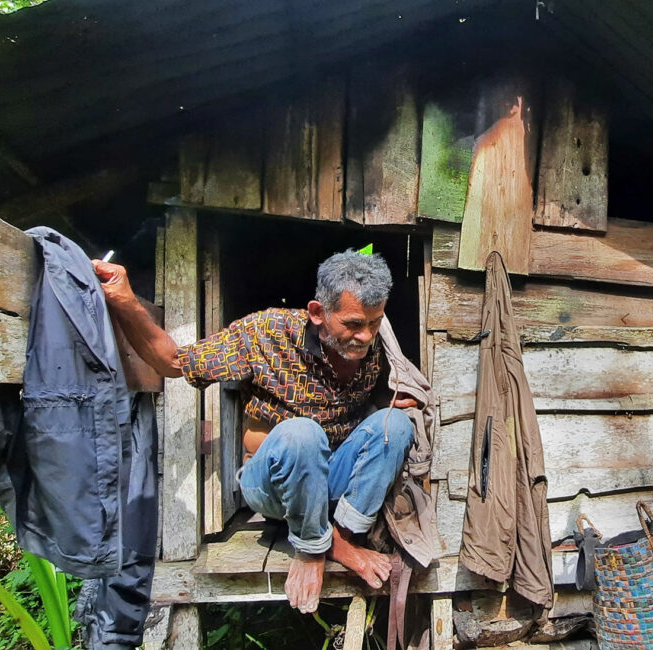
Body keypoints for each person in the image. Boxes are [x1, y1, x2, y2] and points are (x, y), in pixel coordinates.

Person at [94, 249, 423, 614]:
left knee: (394, 423)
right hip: (272, 485)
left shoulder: (376, 346)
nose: (365, 336)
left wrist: (394, 398)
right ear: (317, 313)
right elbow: (175, 362)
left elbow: (373, 401)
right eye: (353, 324)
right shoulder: (265, 334)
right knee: (302, 433)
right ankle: (314, 548)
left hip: (331, 479)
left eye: (374, 323)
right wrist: (124, 301)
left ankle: (343, 537)